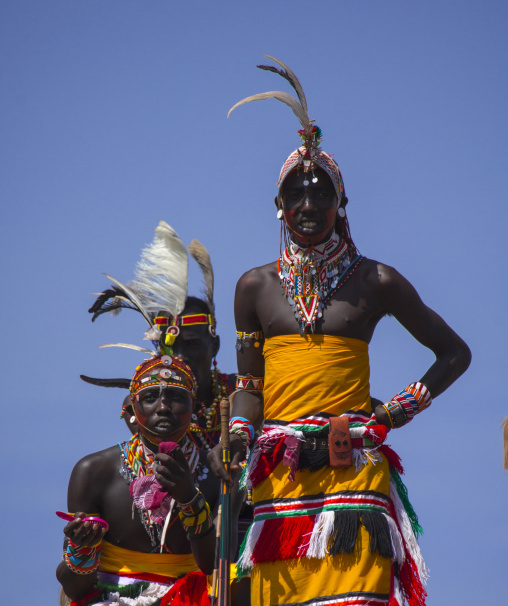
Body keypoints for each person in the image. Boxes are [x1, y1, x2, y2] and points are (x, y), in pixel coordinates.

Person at [209, 56, 471, 606]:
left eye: (322, 193)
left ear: (342, 203)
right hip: (278, 479)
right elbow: (251, 389)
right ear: (278, 207)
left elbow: (453, 353)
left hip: (351, 468)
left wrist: (395, 412)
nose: (309, 206)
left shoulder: (376, 280)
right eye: (297, 196)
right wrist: (237, 433)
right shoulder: (253, 287)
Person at [57, 355, 225, 606]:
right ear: (133, 409)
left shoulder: (216, 471)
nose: (163, 408)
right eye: (149, 398)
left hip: (194, 597)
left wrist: (190, 498)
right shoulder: (93, 471)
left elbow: (214, 565)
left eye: (177, 397)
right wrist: (83, 549)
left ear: (194, 407)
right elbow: (75, 588)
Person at [83, 222, 233, 450]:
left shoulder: (239, 394)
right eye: (169, 345)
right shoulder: (140, 405)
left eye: (191, 344)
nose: (179, 356)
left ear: (215, 346)